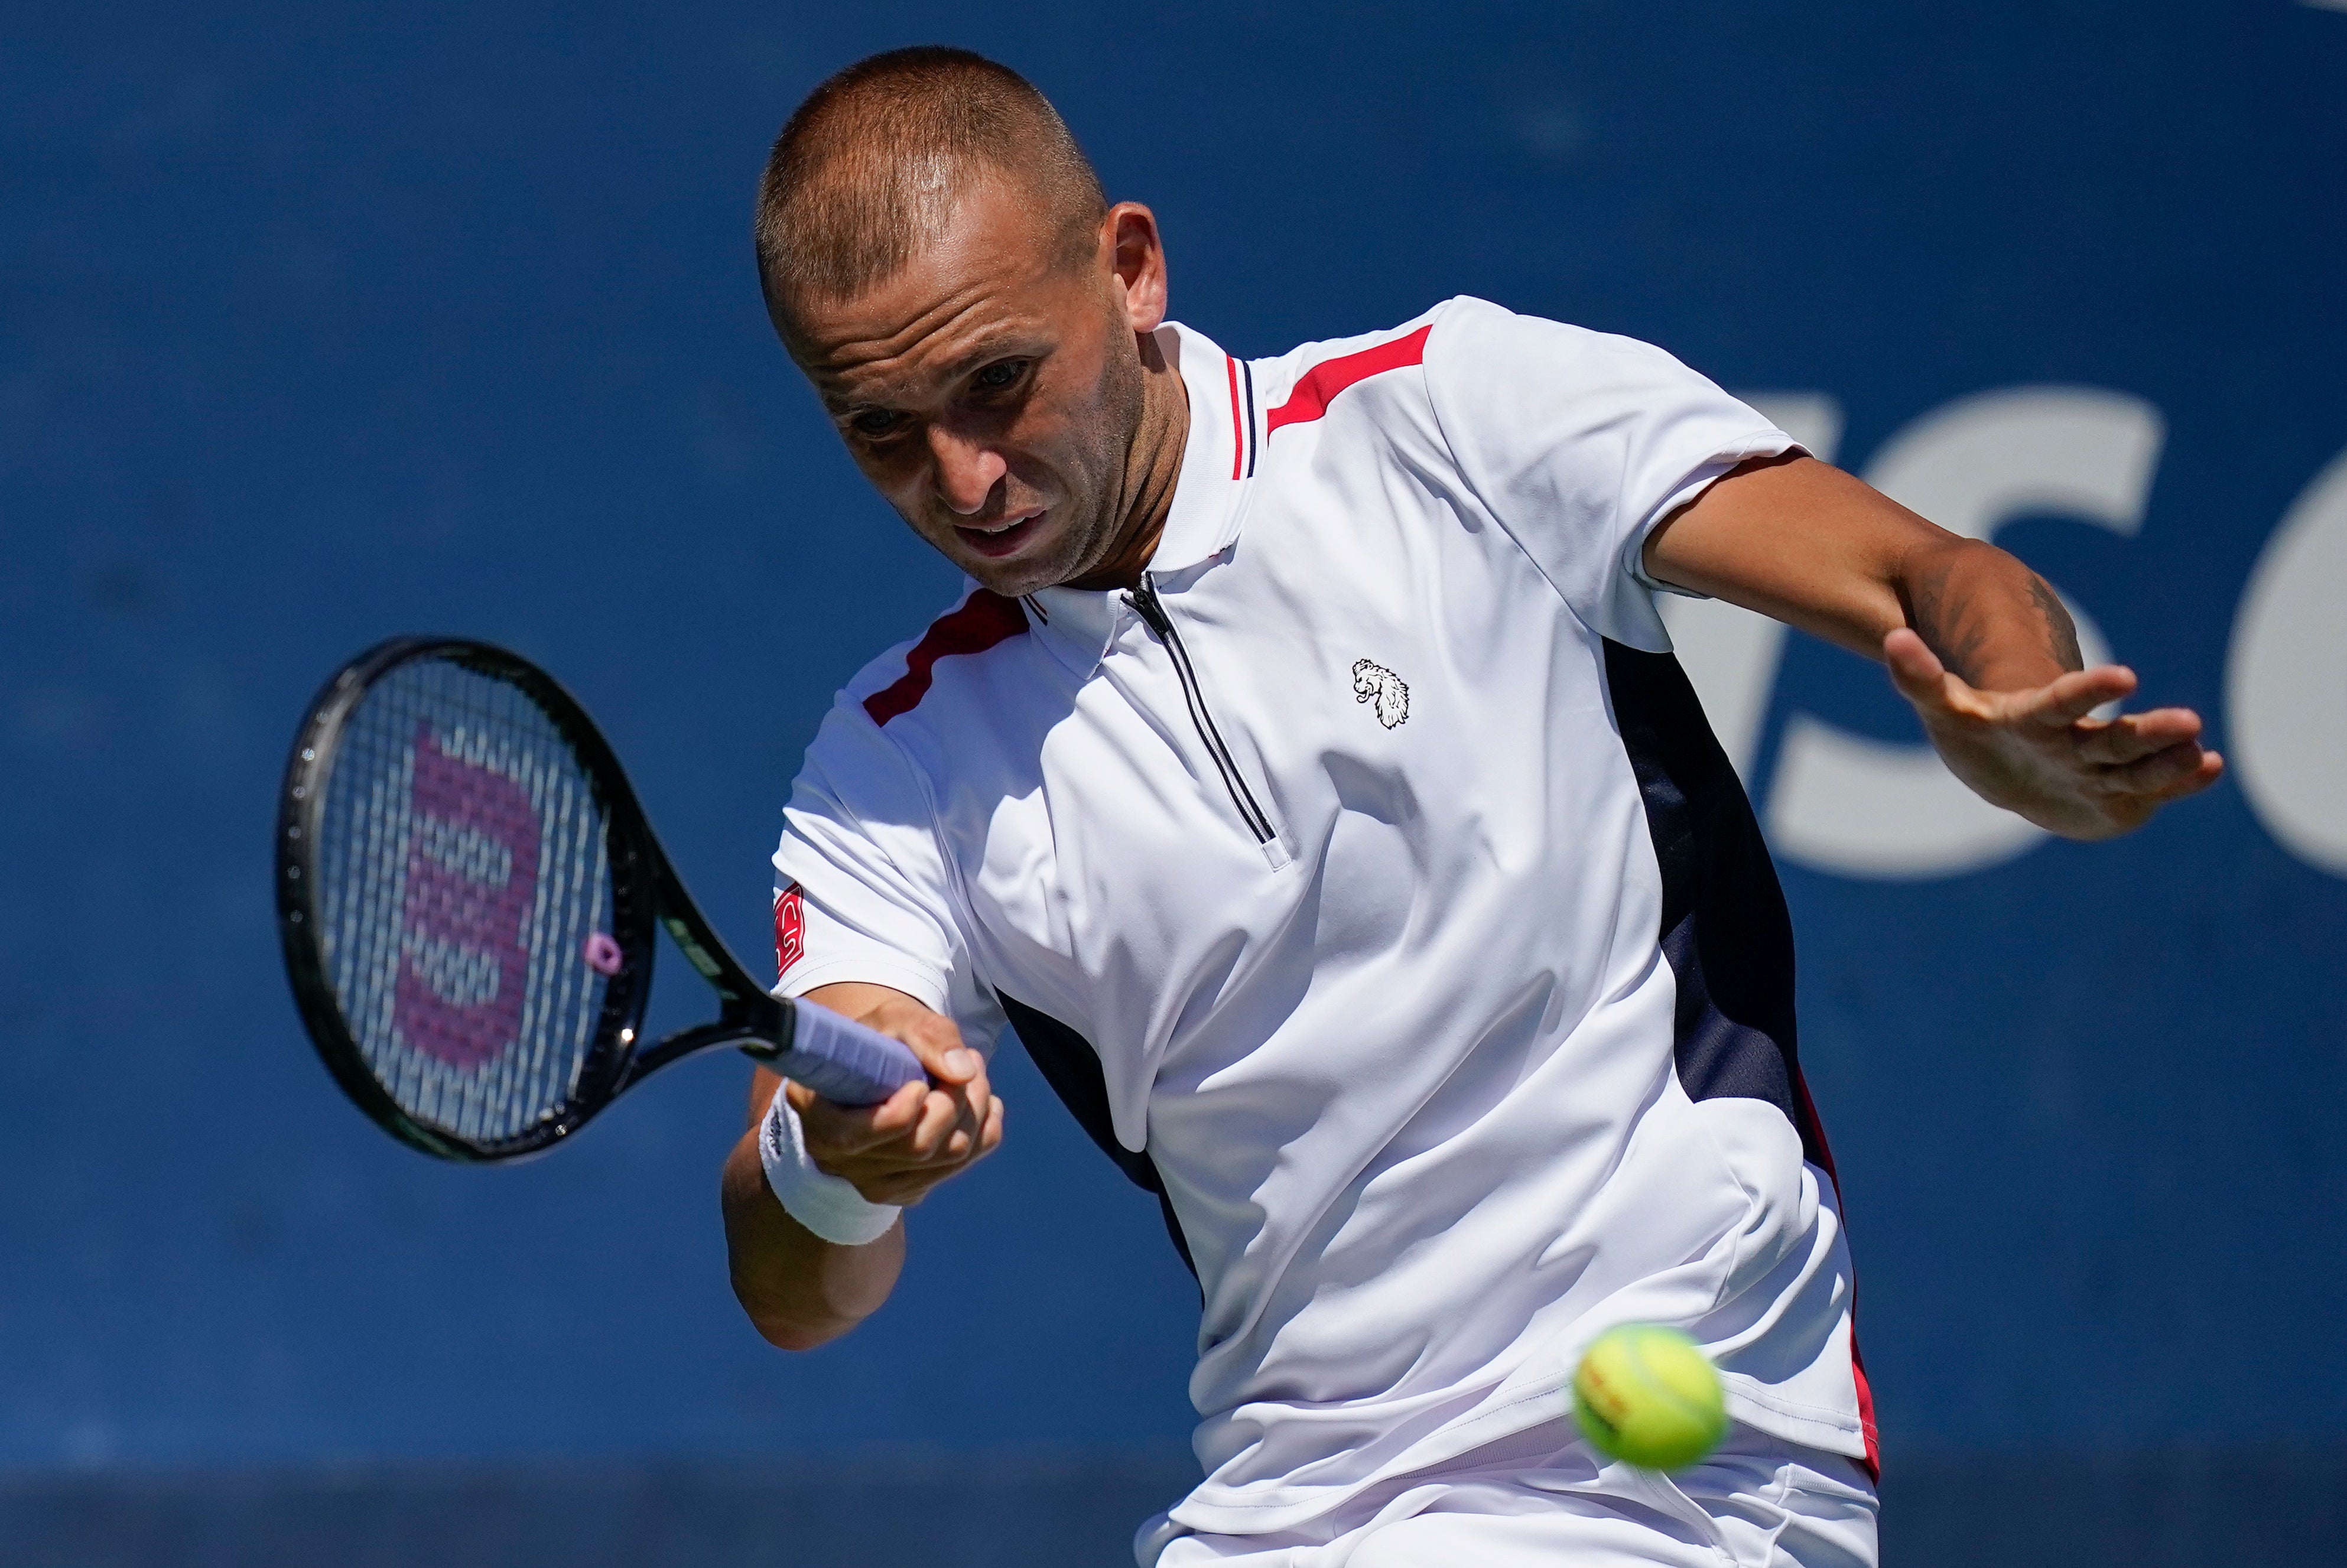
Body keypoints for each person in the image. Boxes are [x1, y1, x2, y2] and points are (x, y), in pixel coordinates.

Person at [717, 46, 2221, 1568]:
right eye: (882, 429)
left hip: (1683, 1466)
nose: (963, 479)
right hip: (1275, 1513)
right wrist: (833, 1164)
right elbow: (790, 1281)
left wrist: (2009, 698)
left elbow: (1934, 573)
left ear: (1129, 270)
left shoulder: (1451, 421)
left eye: (996, 383)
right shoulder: (898, 758)